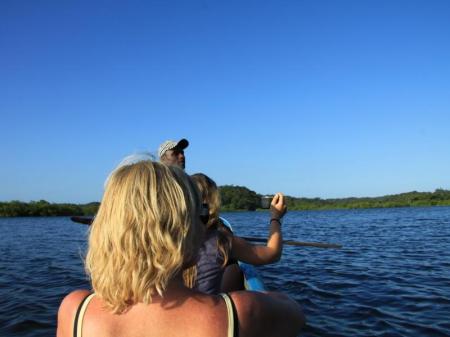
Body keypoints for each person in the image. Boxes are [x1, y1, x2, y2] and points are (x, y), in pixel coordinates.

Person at [57, 155, 305, 337]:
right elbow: (295, 314)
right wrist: (275, 218)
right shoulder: (238, 312)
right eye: (199, 214)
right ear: (187, 229)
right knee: (234, 271)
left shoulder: (74, 310)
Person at [185, 173, 287, 295]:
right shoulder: (222, 241)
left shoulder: (164, 241)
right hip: (207, 311)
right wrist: (276, 217)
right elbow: (273, 254)